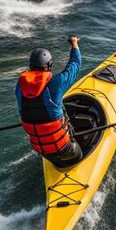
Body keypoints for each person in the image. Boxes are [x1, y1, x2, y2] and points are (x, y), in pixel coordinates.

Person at [15, 36, 83, 169]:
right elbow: (75, 65)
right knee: (80, 150)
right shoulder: (55, 84)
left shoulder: (19, 87)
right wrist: (74, 44)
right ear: (49, 65)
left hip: (43, 152)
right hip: (66, 150)